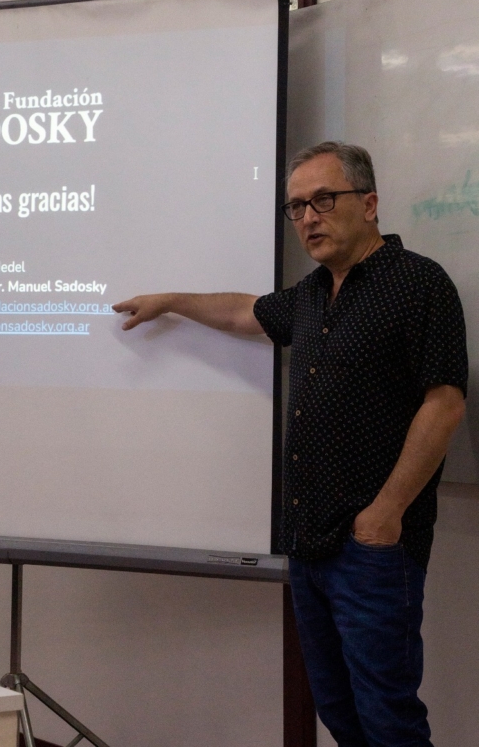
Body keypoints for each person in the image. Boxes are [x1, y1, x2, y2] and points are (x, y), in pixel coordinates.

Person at [113, 141, 467, 747]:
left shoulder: (418, 283)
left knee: (389, 719)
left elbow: (445, 402)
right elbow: (243, 313)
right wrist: (170, 301)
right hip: (309, 545)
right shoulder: (311, 294)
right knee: (339, 711)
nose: (307, 218)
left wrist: (384, 515)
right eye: (297, 207)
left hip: (373, 548)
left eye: (323, 200)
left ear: (370, 203)